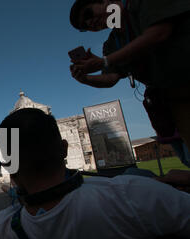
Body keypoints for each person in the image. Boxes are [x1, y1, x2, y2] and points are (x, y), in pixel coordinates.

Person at [0, 108, 190, 239]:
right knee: (135, 174)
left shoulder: (12, 228)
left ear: (8, 165)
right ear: (64, 148)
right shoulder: (131, 194)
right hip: (139, 194)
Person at [69, 0, 190, 151]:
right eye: (85, 26)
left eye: (89, 13)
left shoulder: (139, 5)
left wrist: (105, 61)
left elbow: (159, 33)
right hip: (174, 97)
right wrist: (84, 79)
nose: (90, 22)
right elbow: (111, 78)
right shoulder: (112, 43)